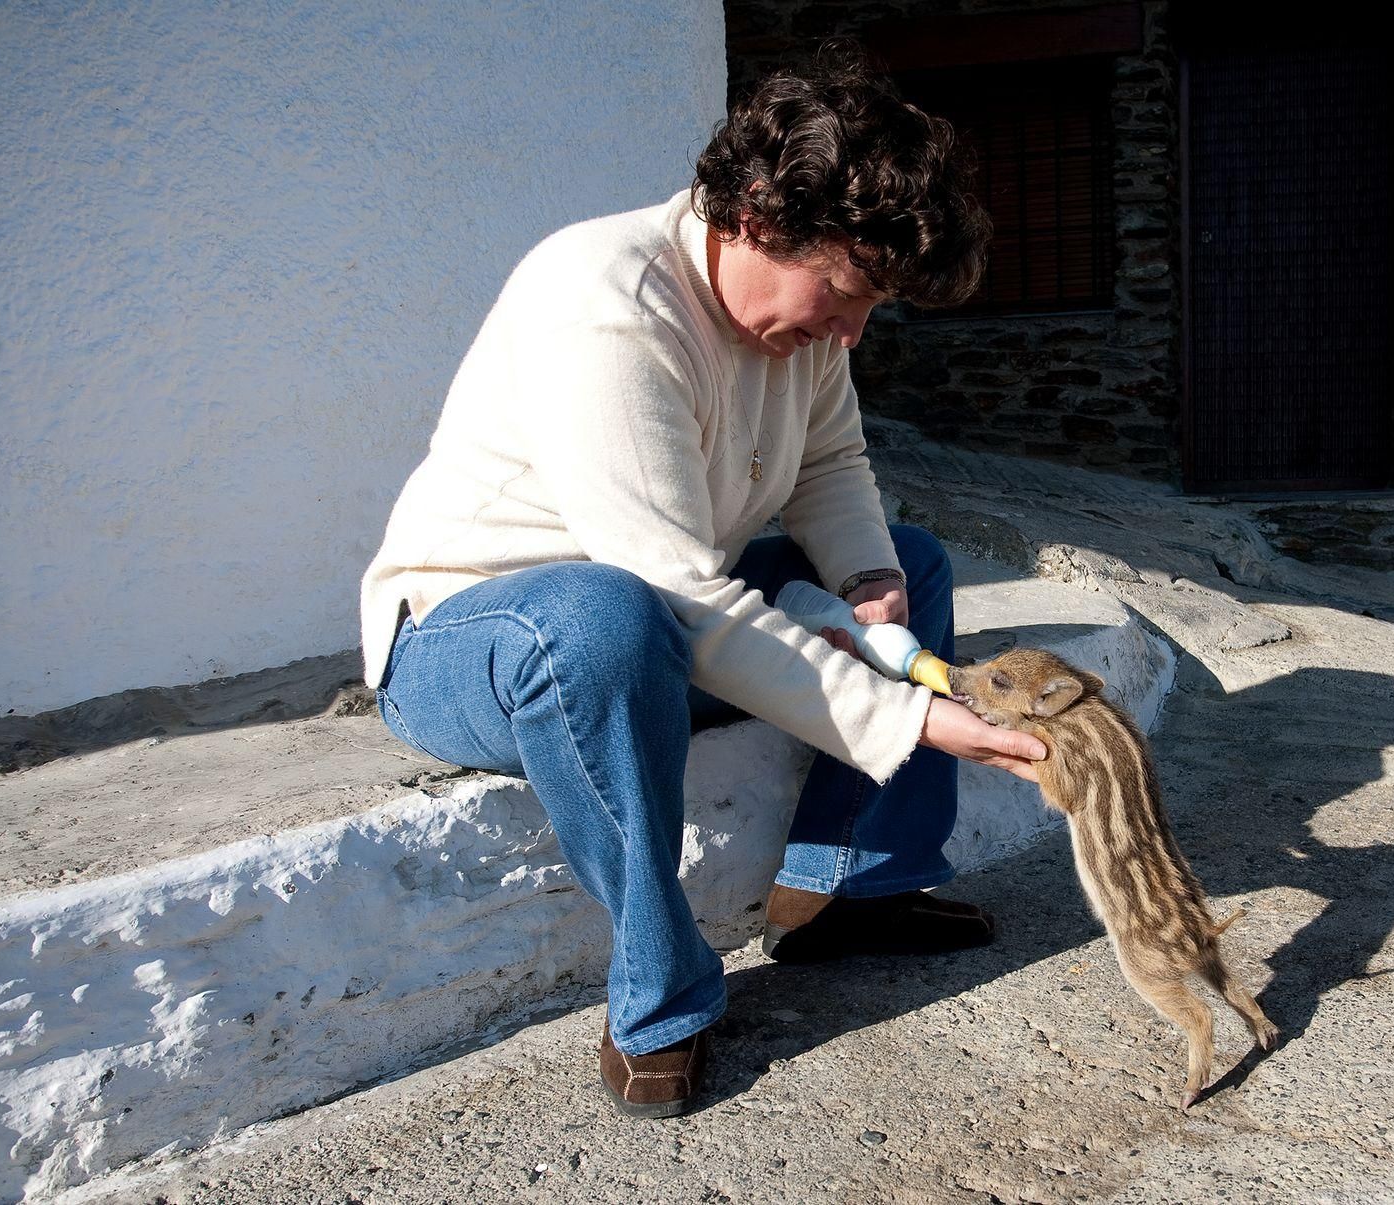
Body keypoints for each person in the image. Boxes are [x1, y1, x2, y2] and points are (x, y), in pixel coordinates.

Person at [357, 42, 1047, 1120]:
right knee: (601, 618)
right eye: (844, 294)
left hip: (655, 617)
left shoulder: (805, 329)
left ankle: (856, 885)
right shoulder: (606, 300)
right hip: (478, 640)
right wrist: (911, 717)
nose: (850, 331)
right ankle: (660, 994)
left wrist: (867, 580)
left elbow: (830, 464)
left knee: (911, 557)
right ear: (759, 216)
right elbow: (670, 587)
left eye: (870, 308)